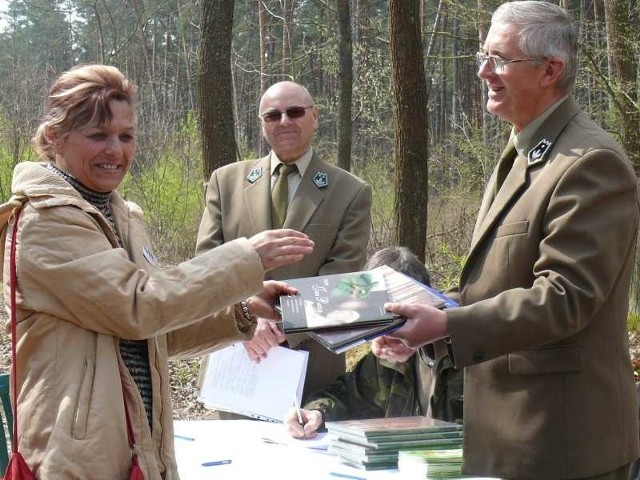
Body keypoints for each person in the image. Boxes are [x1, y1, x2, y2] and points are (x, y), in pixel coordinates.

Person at [0, 64, 314, 479]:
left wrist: (243, 309)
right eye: (98, 135)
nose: (116, 151)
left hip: (137, 447)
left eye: (126, 136)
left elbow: (153, 330)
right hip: (78, 457)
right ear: (55, 136)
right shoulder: (45, 222)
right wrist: (246, 259)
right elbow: (139, 305)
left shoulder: (119, 216)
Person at [373, 2, 640, 479]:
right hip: (509, 437)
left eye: (499, 59)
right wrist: (421, 320)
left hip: (559, 444)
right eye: (483, 55)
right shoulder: (523, 152)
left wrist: (444, 326)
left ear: (549, 70)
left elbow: (564, 298)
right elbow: (494, 288)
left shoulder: (588, 162)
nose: (482, 72)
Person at [195, 80, 372, 398]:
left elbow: (341, 281)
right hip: (236, 361)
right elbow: (206, 266)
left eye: (294, 112)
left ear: (314, 116)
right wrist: (245, 320)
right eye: (273, 115)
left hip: (311, 365)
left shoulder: (350, 191)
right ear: (262, 123)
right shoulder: (226, 182)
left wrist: (280, 326)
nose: (284, 121)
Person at [284, 247, 463, 439]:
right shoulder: (384, 360)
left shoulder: (471, 354)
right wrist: (316, 413)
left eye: (398, 319)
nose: (387, 339)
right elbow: (345, 396)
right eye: (378, 323)